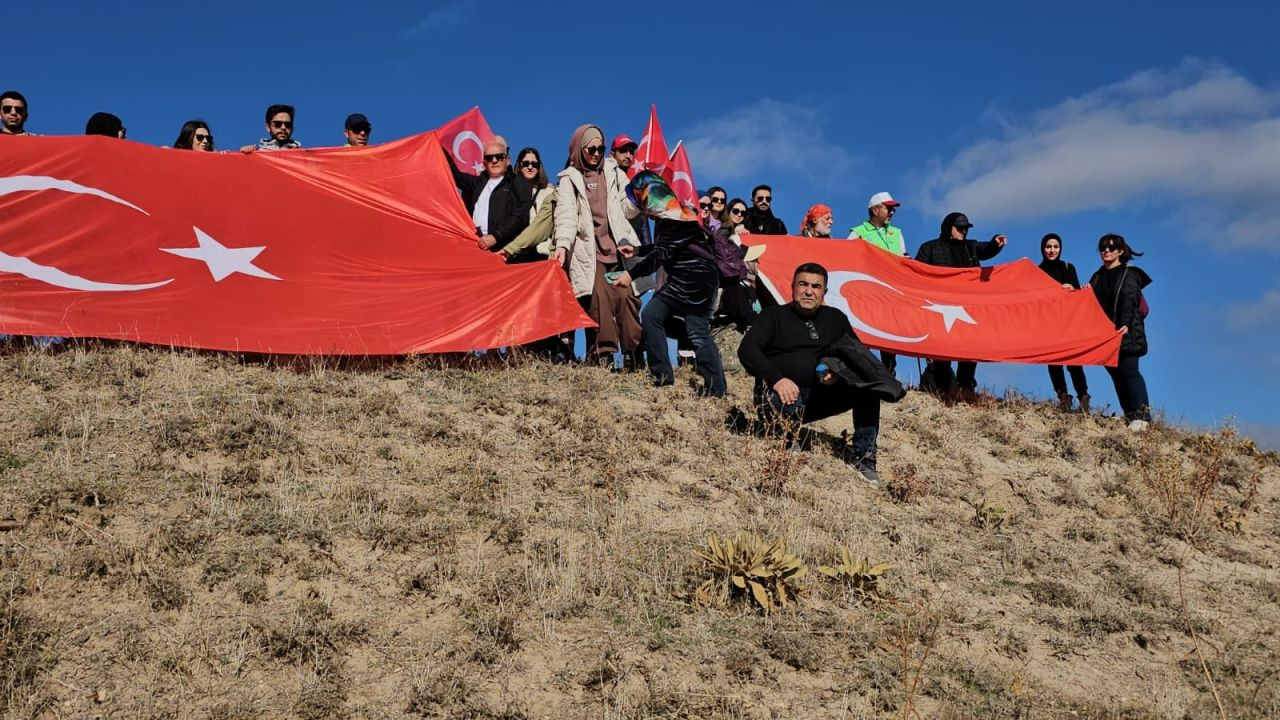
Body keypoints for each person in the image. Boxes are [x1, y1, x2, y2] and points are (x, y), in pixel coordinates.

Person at [738, 262, 886, 485]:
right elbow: (748, 350)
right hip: (777, 395)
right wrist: (776, 379)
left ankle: (864, 458)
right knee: (787, 395)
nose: (809, 291)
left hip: (819, 396)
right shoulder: (772, 316)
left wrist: (836, 373)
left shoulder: (836, 319)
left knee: (868, 389)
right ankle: (786, 440)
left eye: (816, 287)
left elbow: (854, 356)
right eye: (803, 284)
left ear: (824, 293)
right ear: (792, 287)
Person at [611, 174, 725, 396]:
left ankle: (716, 389)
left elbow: (660, 255)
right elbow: (667, 247)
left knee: (696, 331)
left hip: (696, 279)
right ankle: (662, 376)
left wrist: (630, 275)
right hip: (688, 276)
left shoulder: (673, 217)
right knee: (653, 315)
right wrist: (637, 251)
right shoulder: (672, 212)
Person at [553, 124, 642, 365]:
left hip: (619, 250)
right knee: (599, 299)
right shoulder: (569, 179)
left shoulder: (614, 171)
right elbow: (567, 215)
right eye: (590, 148)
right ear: (579, 149)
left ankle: (632, 354)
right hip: (589, 254)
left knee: (627, 297)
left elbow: (627, 206)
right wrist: (562, 244)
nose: (595, 153)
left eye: (600, 148)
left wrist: (639, 198)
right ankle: (604, 355)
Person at [914, 212, 1007, 400]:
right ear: (949, 228)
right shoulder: (930, 248)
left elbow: (986, 250)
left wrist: (995, 243)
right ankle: (946, 387)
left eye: (966, 228)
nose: (964, 232)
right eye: (960, 228)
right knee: (942, 348)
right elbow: (917, 273)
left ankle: (966, 386)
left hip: (968, 307)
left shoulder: (970, 247)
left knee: (970, 347)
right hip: (940, 308)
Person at [1089, 233, 1152, 430]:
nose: (1106, 251)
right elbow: (1089, 302)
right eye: (1103, 247)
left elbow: (1129, 299)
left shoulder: (1130, 274)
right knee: (1116, 374)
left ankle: (1143, 417)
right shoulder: (1097, 276)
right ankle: (1130, 415)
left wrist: (1123, 324)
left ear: (1121, 251)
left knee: (1129, 371)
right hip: (1105, 334)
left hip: (1127, 331)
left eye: (1111, 247)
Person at [850, 192, 908, 374]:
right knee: (864, 334)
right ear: (875, 210)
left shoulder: (896, 233)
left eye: (893, 209)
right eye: (888, 208)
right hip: (867, 293)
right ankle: (864, 373)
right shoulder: (857, 233)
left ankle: (888, 374)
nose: (892, 212)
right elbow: (845, 260)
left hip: (891, 293)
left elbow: (904, 259)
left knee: (889, 333)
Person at [450, 135, 532, 253]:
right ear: (484, 163)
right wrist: (438, 147)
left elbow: (520, 216)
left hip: (503, 251)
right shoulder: (478, 183)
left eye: (499, 157)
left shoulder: (518, 183)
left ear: (507, 160)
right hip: (475, 247)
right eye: (489, 158)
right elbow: (456, 175)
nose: (494, 161)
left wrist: (496, 236)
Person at [1038, 233, 1090, 413]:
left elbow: (1076, 294)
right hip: (1048, 323)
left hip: (1068, 322)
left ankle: (1083, 397)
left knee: (1074, 361)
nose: (1052, 250)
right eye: (1048, 246)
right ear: (1042, 249)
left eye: (1056, 246)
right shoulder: (1036, 271)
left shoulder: (1069, 267)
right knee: (1053, 361)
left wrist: (1074, 289)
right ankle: (1062, 397)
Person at [498, 147, 555, 263]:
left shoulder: (548, 192)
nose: (530, 167)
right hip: (513, 252)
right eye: (526, 163)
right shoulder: (508, 190)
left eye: (534, 164)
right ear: (519, 166)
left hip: (539, 253)